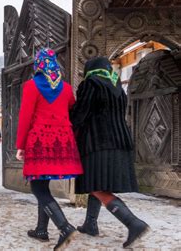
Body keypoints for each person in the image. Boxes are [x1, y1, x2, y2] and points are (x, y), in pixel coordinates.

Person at [70, 57, 149, 248]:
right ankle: (90, 224)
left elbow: (80, 113)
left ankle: (133, 223)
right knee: (97, 182)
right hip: (120, 142)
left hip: (98, 142)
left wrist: (67, 122)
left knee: (96, 185)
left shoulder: (91, 83)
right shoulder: (117, 87)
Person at [16, 48, 82, 251]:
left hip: (39, 141)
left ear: (38, 65)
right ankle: (41, 230)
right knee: (42, 185)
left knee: (37, 187)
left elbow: (25, 116)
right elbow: (72, 105)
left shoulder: (31, 86)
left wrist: (20, 145)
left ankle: (64, 227)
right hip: (61, 141)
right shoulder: (66, 88)